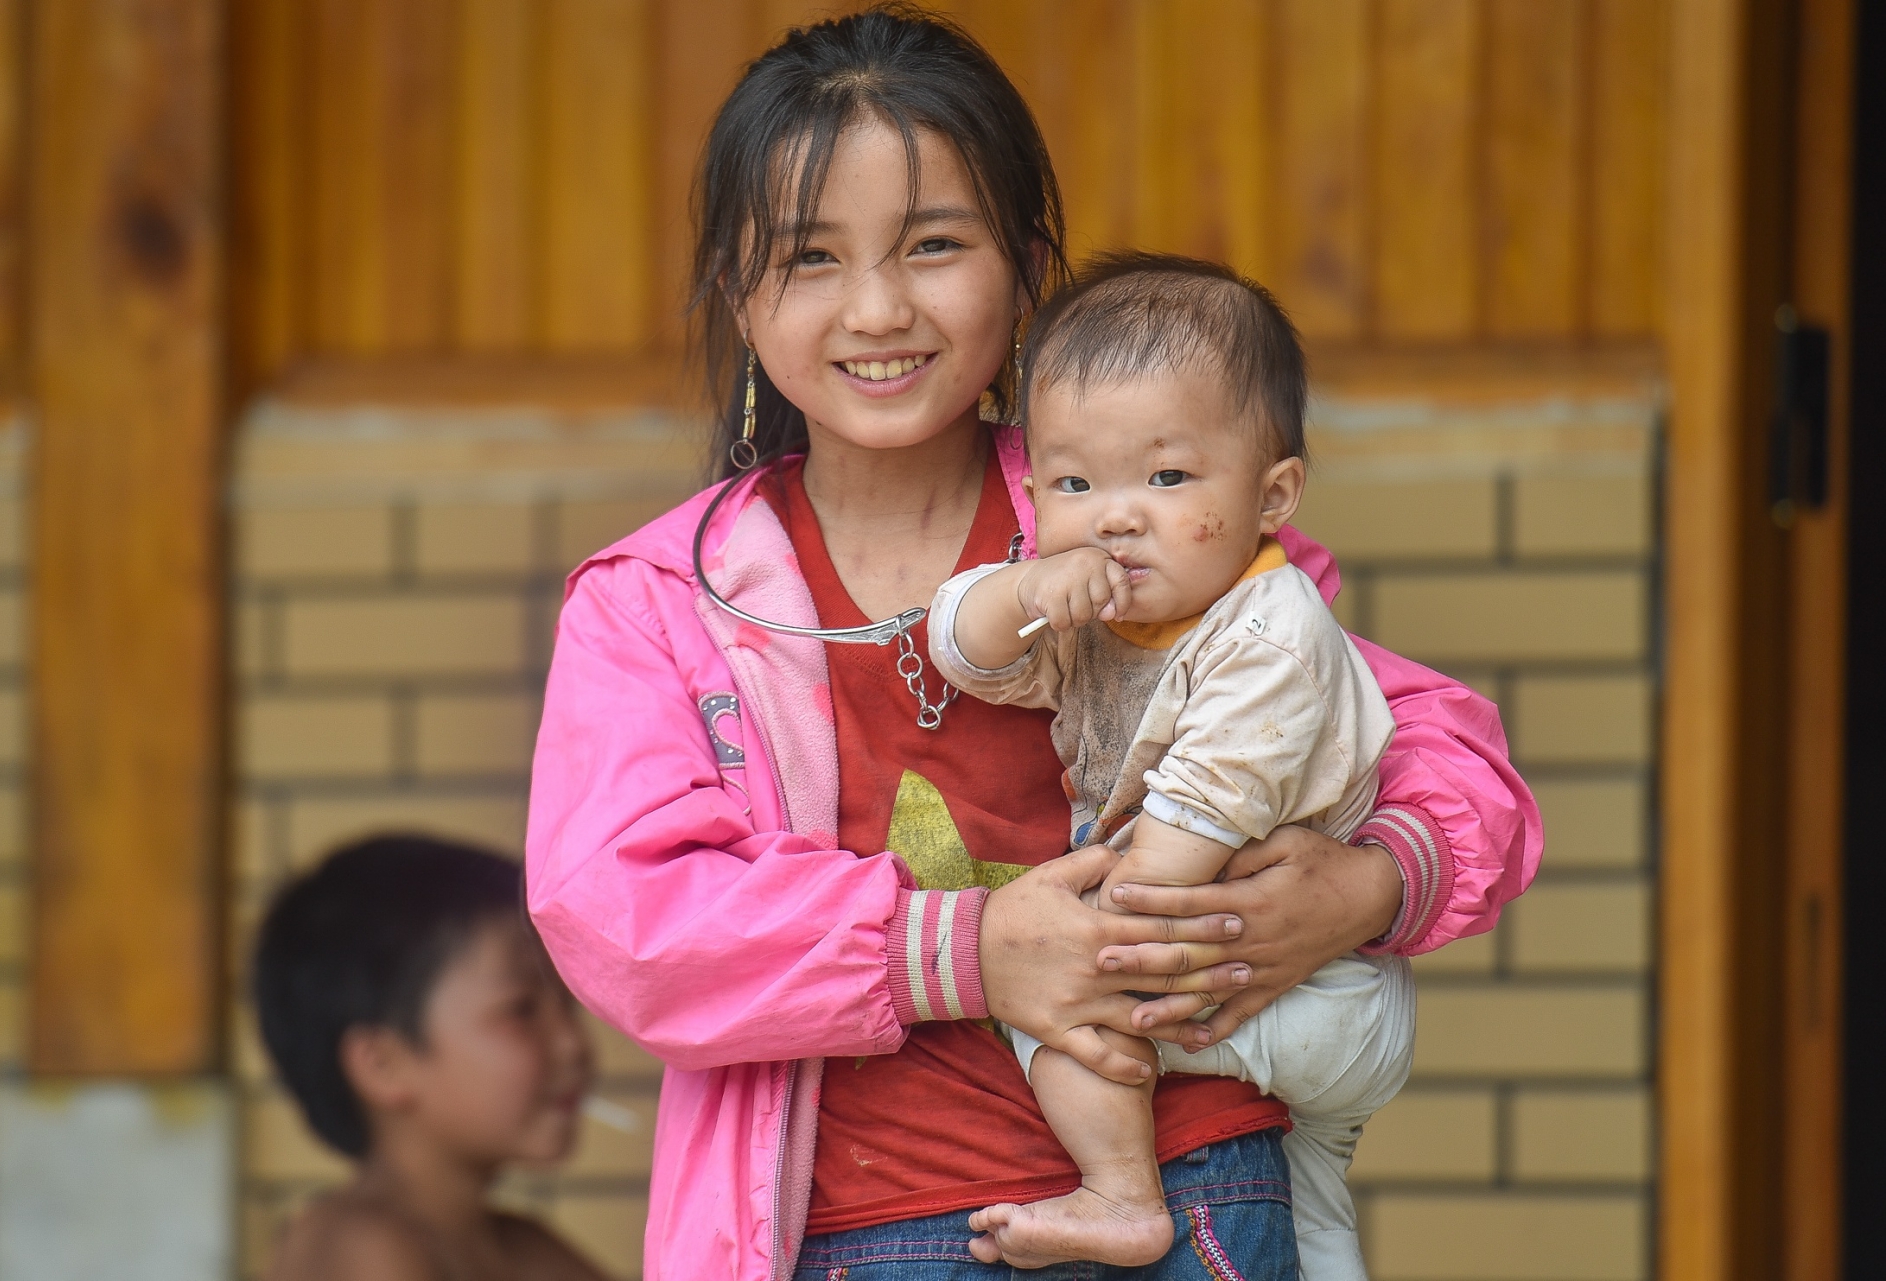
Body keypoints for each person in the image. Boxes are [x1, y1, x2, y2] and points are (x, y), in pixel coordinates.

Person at [526, 7, 1542, 1279]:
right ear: (737, 294)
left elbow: (1431, 751)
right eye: (812, 259)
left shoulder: (1149, 522)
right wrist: (960, 951)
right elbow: (622, 917)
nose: (879, 307)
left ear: (1025, 263)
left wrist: (1365, 884)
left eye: (935, 244)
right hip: (859, 1228)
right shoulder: (659, 601)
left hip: (1195, 1185)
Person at [930, 253, 1415, 1277]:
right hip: (1281, 997)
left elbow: (1168, 868)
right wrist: (1022, 595)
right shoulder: (1110, 619)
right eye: (1073, 482)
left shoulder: (1272, 637)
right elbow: (964, 658)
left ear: (1273, 494)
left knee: (1055, 1009)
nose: (1113, 516)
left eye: (1165, 478)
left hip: (1314, 991)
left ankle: (1121, 1196)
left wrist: (1057, 961)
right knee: (1321, 1223)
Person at [254, 835, 606, 1281]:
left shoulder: (526, 1249)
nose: (573, 1043)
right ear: (383, 1066)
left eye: (568, 1002)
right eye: (521, 1010)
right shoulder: (361, 1251)